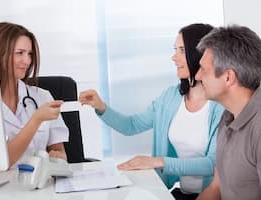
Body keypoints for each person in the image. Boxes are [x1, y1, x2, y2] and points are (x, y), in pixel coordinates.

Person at [79, 23, 224, 200]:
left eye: (181, 50)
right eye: (175, 49)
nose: (174, 57)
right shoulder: (170, 98)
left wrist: (157, 162)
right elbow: (131, 125)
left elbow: (212, 164)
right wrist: (100, 106)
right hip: (183, 194)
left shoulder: (219, 105)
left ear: (201, 55)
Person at [0, 22, 69, 167]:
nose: (27, 61)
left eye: (30, 54)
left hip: (37, 185)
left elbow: (58, 150)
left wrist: (58, 158)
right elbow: (1, 163)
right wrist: (35, 120)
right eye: (19, 53)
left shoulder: (42, 97)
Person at [195, 25, 261, 199]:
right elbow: (216, 188)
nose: (197, 77)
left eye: (203, 69)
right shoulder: (228, 116)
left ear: (228, 77)